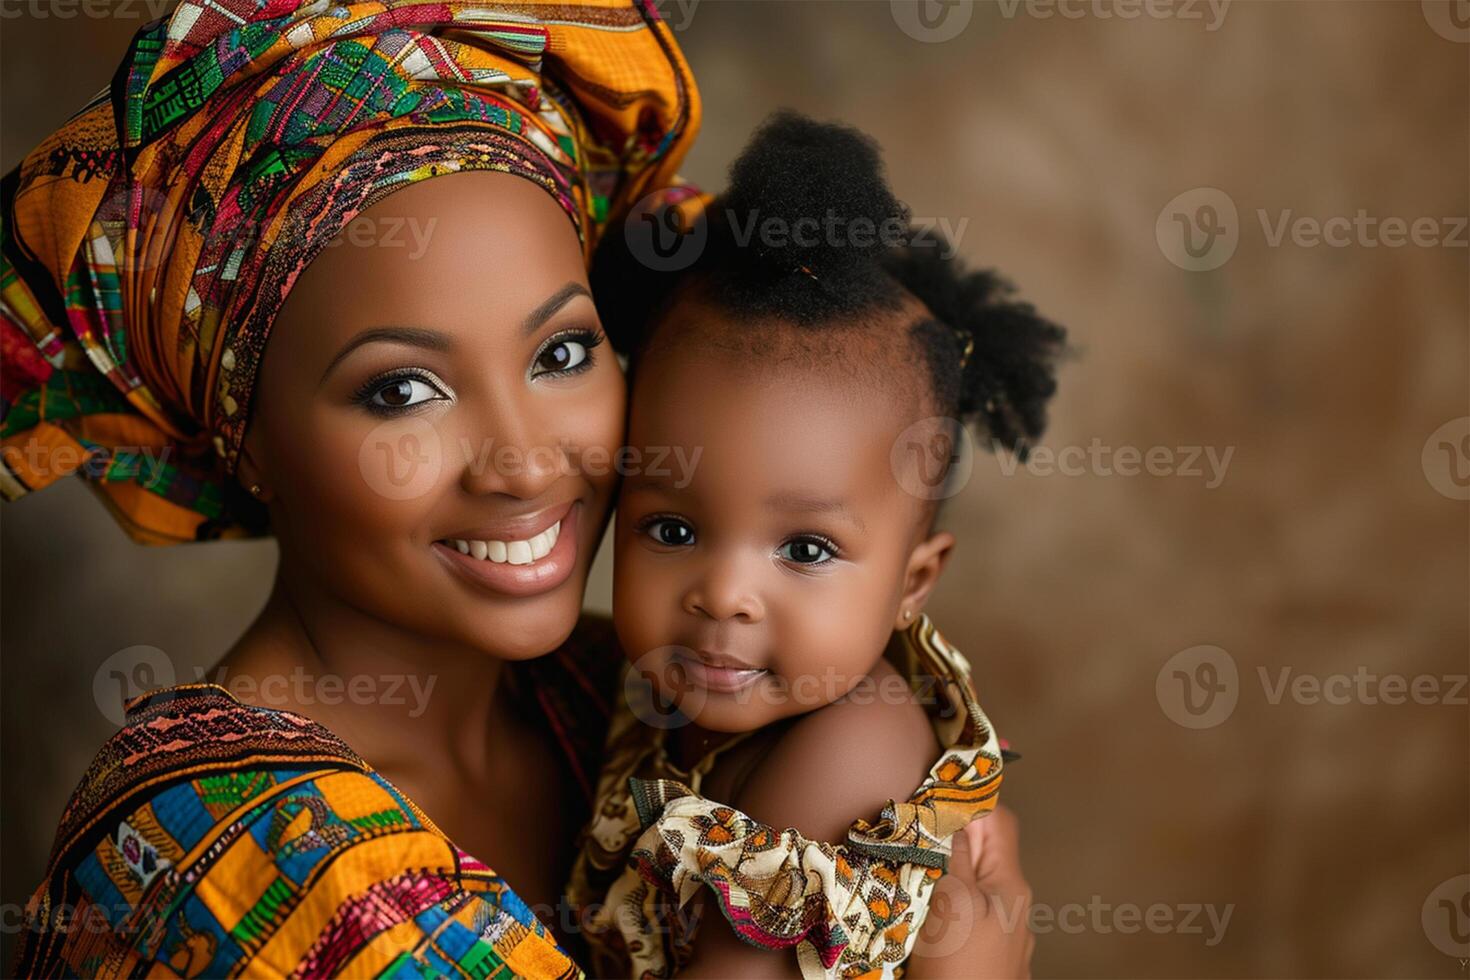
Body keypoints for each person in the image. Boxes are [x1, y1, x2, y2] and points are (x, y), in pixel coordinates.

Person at [1, 2, 1035, 976]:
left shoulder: (636, 702)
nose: (529, 461)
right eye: (402, 388)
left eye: (562, 351)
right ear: (250, 441)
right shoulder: (226, 856)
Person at [565, 113, 1064, 979]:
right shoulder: (646, 697)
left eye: (803, 550)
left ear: (915, 582)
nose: (723, 594)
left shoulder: (854, 742)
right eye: (673, 530)